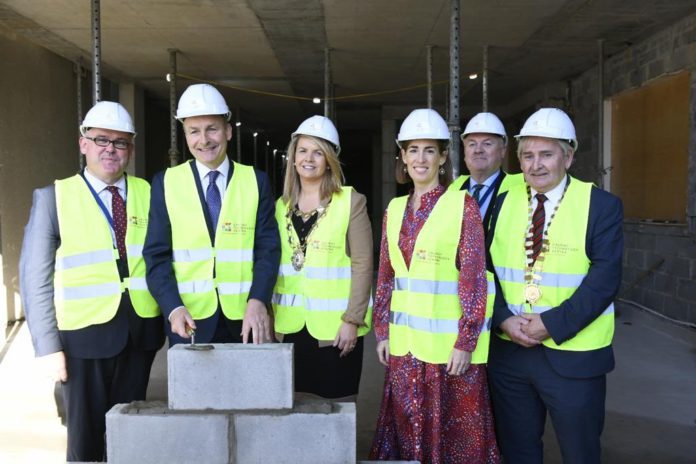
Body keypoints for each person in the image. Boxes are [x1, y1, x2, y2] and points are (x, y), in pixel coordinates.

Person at [19, 101, 164, 462]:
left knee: (129, 432)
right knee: (84, 441)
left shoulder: (150, 194)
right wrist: (49, 345)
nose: (110, 150)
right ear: (83, 143)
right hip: (82, 339)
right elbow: (34, 276)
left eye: (120, 142)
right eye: (101, 140)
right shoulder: (54, 198)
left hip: (139, 333)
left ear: (130, 149)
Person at [486, 108, 623, 464]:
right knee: (517, 451)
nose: (536, 165)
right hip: (510, 353)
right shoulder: (503, 203)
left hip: (573, 356)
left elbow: (605, 279)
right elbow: (485, 271)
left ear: (568, 156)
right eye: (528, 156)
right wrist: (502, 317)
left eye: (546, 154)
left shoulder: (600, 206)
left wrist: (552, 323)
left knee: (579, 453)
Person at [370, 108, 500, 463]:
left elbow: (474, 279)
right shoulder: (394, 210)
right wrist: (382, 331)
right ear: (403, 156)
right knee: (406, 425)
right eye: (413, 150)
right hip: (405, 350)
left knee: (454, 436)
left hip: (448, 355)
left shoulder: (462, 205)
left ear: (443, 157)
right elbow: (386, 277)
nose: (420, 159)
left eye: (430, 150)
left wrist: (466, 341)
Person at [143, 83, 280, 346]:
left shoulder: (255, 181)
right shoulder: (166, 182)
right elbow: (156, 255)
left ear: (228, 131)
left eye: (212, 129)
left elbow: (268, 249)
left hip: (245, 319)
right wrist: (172, 308)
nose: (204, 140)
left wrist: (259, 299)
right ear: (185, 135)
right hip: (188, 320)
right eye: (194, 131)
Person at [272, 115, 373, 400]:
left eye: (318, 152)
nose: (309, 158)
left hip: (336, 332)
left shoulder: (350, 201)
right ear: (293, 158)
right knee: (293, 409)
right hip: (289, 329)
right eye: (303, 151)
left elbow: (363, 264)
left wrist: (353, 320)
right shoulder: (280, 207)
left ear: (329, 159)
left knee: (335, 411)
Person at [450, 112, 524, 234]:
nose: (478, 150)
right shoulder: (453, 189)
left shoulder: (521, 187)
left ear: (502, 151)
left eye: (487, 144)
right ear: (465, 152)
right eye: (472, 144)